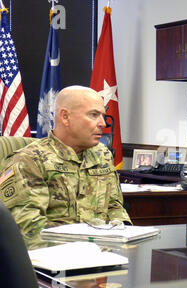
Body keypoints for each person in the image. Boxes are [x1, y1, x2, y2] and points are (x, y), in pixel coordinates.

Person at [0, 86, 132, 248]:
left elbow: (114, 207)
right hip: (52, 263)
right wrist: (85, 247)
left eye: (103, 116)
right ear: (65, 117)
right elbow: (28, 229)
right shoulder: (29, 160)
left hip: (102, 256)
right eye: (93, 115)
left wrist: (123, 234)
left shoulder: (102, 155)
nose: (103, 123)